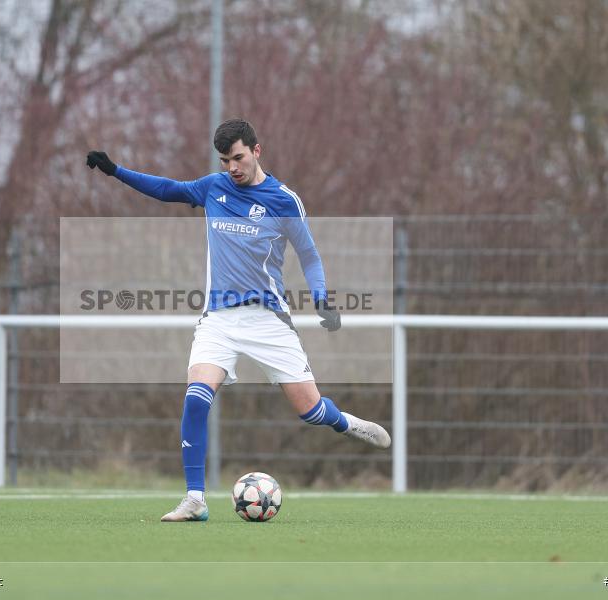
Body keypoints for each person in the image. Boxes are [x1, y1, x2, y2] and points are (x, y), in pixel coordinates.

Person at [86, 119, 391, 522]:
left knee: (310, 410)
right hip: (219, 320)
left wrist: (321, 299)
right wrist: (115, 171)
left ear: (257, 151)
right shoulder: (214, 188)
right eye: (226, 159)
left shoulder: (284, 200)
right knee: (196, 397)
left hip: (268, 320)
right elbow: (167, 189)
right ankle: (195, 499)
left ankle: (346, 422)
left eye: (238, 157)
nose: (232, 166)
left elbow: (310, 255)